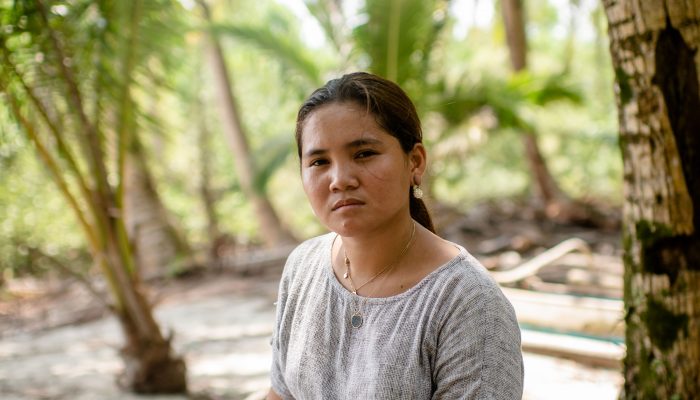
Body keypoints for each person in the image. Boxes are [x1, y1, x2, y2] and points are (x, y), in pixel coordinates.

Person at [267, 72, 523, 399]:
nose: (340, 179)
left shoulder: (468, 303)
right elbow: (280, 393)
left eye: (363, 154)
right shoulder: (302, 268)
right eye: (319, 161)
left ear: (414, 161)